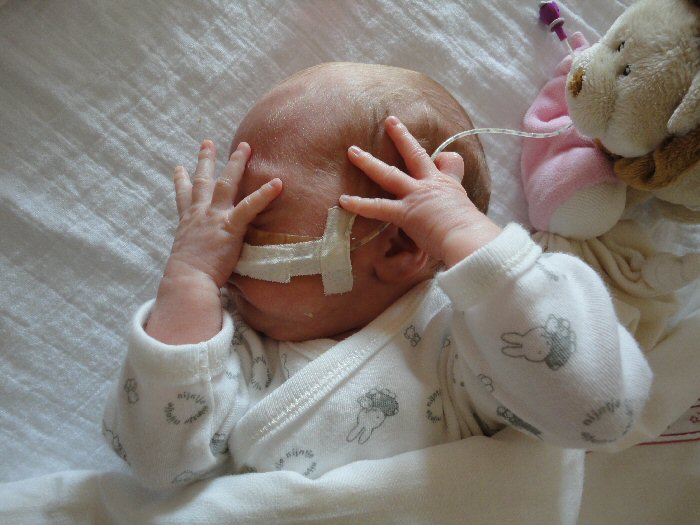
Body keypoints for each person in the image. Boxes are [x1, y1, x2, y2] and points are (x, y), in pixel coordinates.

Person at [103, 62, 652, 490]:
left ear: (400, 244)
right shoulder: (235, 355)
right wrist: (190, 280)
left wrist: (471, 239)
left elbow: (600, 409)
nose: (224, 238)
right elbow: (156, 462)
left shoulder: (463, 350)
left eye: (256, 216)